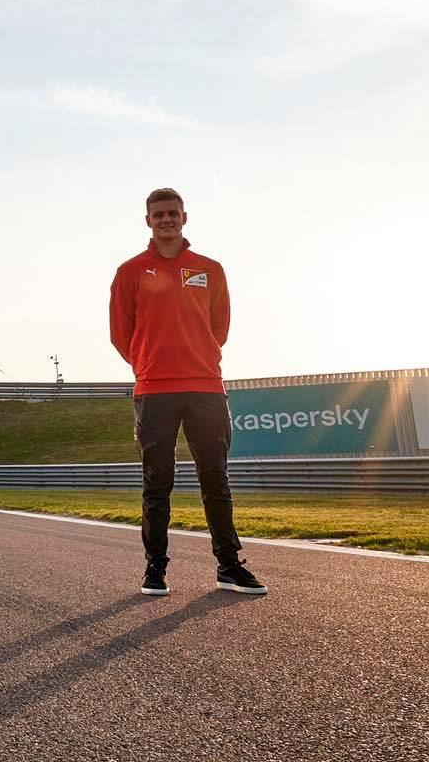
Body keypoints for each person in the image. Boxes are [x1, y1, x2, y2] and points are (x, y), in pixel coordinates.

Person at [109, 188, 267, 597]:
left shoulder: (209, 269)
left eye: (172, 213)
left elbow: (221, 327)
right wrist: (148, 365)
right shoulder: (130, 272)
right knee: (157, 481)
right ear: (148, 220)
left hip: (206, 388)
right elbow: (119, 333)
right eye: (158, 214)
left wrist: (199, 358)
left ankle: (229, 566)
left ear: (184, 217)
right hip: (155, 390)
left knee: (215, 478)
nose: (166, 220)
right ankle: (155, 568)